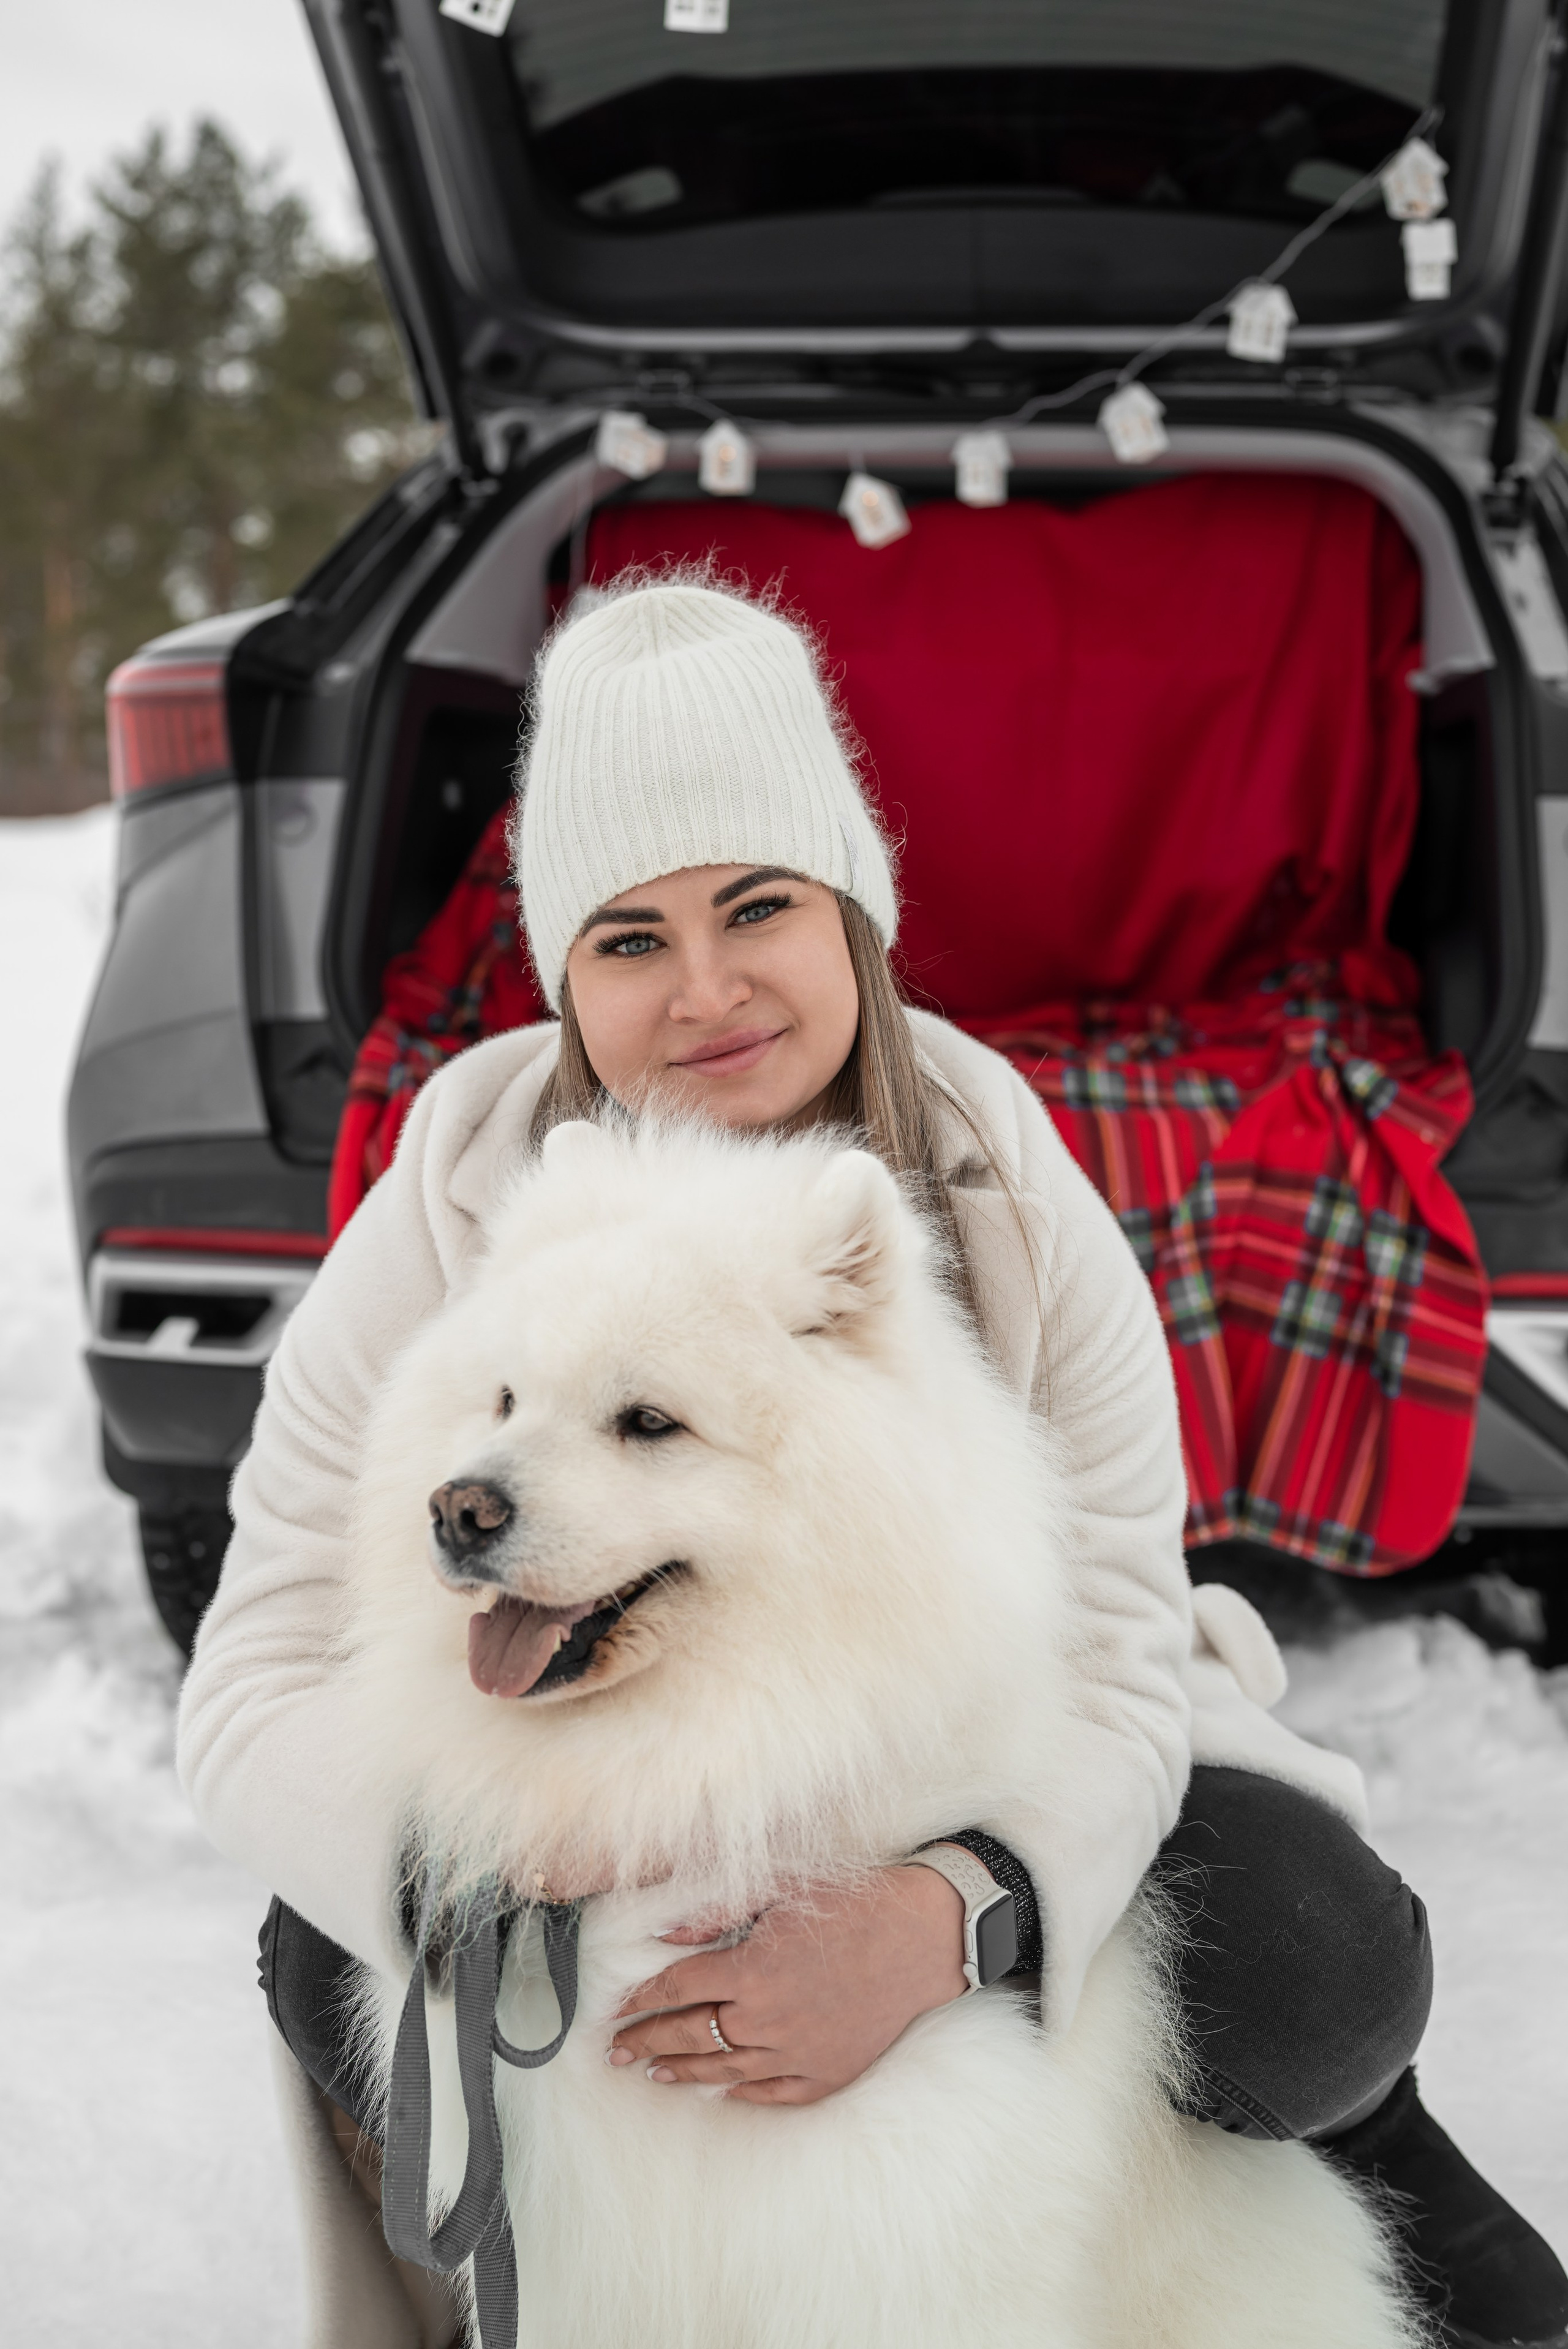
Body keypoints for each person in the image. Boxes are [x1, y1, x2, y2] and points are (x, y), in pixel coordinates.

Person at [181, 578, 1566, 2349]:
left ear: (855, 911)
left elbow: (1124, 1640)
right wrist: (480, 1878)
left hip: (996, 1735)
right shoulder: (463, 1178)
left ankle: (1362, 2162)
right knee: (336, 1948)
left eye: (757, 906)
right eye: (627, 938)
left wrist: (944, 1916)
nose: (705, 991)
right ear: (562, 970)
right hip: (599, 1773)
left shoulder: (995, 1168)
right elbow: (253, 1679)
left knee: (1307, 1960)